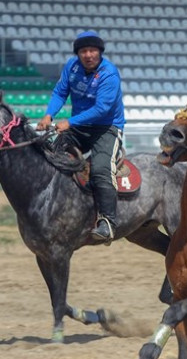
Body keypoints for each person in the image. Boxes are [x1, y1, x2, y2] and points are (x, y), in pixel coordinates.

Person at [37, 30, 125, 243]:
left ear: (99, 52)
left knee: (101, 169)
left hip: (106, 128)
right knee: (50, 154)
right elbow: (60, 92)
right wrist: (49, 115)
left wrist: (70, 122)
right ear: (78, 54)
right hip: (79, 127)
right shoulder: (72, 66)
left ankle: (107, 222)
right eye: (83, 51)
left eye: (92, 50)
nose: (88, 55)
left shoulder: (109, 73)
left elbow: (102, 108)